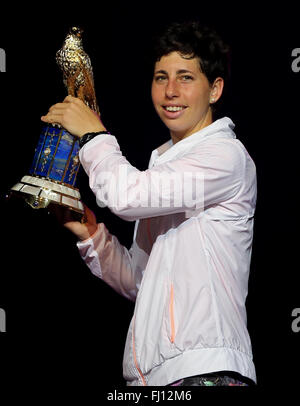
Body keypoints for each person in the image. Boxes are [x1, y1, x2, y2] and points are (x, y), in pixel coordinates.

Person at [41, 20, 257, 386]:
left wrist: (94, 134)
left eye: (186, 77)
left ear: (215, 89)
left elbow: (125, 196)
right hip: (154, 379)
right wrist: (90, 231)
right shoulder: (164, 166)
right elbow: (140, 281)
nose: (171, 91)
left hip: (205, 373)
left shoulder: (225, 156)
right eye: (161, 77)